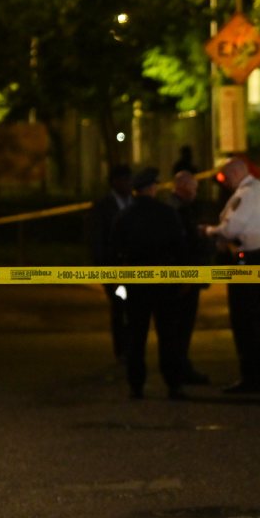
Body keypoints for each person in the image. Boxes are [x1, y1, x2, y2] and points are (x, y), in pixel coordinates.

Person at [112, 167, 187, 400]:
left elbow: (115, 249)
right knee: (168, 335)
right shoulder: (167, 213)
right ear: (153, 188)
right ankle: (173, 383)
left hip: (135, 281)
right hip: (164, 281)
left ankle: (136, 385)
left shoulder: (124, 216)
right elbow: (180, 248)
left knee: (136, 335)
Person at [205, 158, 260, 394]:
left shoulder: (246, 194)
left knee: (244, 321)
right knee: (258, 321)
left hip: (245, 261)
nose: (225, 183)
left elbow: (231, 228)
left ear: (236, 173)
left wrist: (209, 231)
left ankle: (251, 377)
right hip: (259, 259)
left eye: (226, 177)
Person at [167, 171, 210, 385]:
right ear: (183, 188)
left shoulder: (175, 208)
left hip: (184, 277)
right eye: (194, 189)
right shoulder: (179, 210)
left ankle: (179, 366)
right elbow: (183, 246)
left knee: (180, 327)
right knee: (182, 325)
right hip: (184, 279)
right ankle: (179, 368)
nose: (196, 193)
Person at [88, 164, 132, 361]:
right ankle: (121, 349)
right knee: (119, 306)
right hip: (113, 266)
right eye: (124, 180)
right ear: (114, 182)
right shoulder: (103, 207)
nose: (128, 184)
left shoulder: (134, 203)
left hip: (134, 266)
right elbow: (97, 238)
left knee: (133, 308)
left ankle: (130, 347)